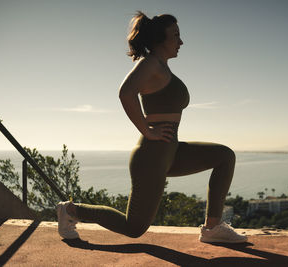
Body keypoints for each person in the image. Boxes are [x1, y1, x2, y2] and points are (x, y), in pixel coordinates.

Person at [56, 11, 247, 244]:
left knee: (224, 156)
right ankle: (71, 211)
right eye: (175, 35)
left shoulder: (162, 67)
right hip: (152, 154)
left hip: (170, 150)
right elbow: (126, 92)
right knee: (134, 227)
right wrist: (147, 130)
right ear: (159, 39)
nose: (181, 41)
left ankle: (212, 228)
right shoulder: (150, 63)